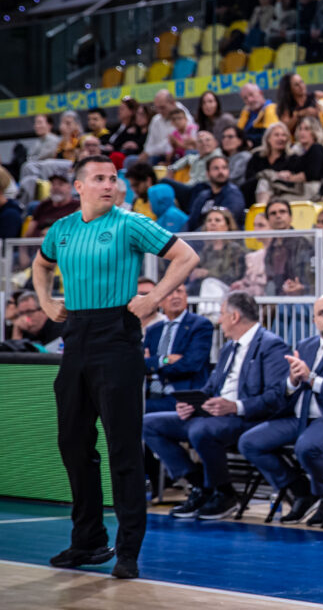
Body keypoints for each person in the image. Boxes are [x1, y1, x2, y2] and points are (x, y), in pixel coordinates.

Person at [34, 154, 199, 580]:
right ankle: (87, 540)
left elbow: (186, 256)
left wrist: (153, 298)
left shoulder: (129, 223)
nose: (110, 184)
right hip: (76, 337)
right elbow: (41, 264)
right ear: (79, 186)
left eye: (113, 178)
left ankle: (128, 551)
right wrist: (46, 302)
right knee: (73, 443)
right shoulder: (62, 229)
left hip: (117, 337)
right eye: (100, 178)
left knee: (123, 449)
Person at [143, 292, 289, 522]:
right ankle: (200, 485)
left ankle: (224, 492)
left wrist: (235, 406)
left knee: (201, 430)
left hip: (248, 418)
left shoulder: (272, 345)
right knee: (149, 424)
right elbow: (210, 387)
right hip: (215, 415)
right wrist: (191, 405)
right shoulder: (229, 347)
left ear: (234, 317)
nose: (219, 321)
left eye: (221, 314)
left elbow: (275, 397)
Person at [239, 294, 323, 526]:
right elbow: (287, 388)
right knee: (249, 442)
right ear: (314, 320)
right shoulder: (305, 346)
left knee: (307, 446)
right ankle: (302, 492)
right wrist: (292, 382)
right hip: (301, 417)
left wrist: (311, 378)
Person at [142, 285, 214, 413]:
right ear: (160, 302)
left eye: (179, 292)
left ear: (186, 297)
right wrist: (165, 360)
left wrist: (154, 367)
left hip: (181, 396)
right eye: (170, 293)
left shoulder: (200, 325)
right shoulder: (153, 330)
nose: (175, 296)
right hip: (151, 393)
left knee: (135, 410)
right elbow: (141, 364)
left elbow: (190, 364)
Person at [263, 200, 314, 297]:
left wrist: (303, 287)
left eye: (282, 212)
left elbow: (309, 275)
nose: (278, 216)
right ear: (268, 220)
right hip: (279, 296)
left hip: (302, 297)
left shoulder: (302, 242)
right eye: (273, 213)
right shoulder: (271, 246)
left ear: (290, 217)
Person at [189, 208, 248, 292]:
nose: (212, 223)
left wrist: (207, 273)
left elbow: (234, 277)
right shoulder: (205, 251)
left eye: (217, 220)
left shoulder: (236, 249)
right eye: (209, 220)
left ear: (227, 226)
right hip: (203, 290)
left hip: (229, 290)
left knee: (209, 283)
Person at [186, 156, 246, 231]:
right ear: (208, 174)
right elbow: (191, 222)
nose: (221, 171)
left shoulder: (234, 195)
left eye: (224, 168)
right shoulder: (203, 195)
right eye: (216, 168)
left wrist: (194, 236)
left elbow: (225, 222)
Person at [243, 122, 295, 206]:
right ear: (268, 138)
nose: (281, 138)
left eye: (284, 135)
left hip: (281, 198)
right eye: (276, 135)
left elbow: (292, 183)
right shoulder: (257, 157)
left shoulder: (292, 158)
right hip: (254, 197)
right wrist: (274, 175)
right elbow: (249, 180)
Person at [24, 173, 80, 238]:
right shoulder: (43, 206)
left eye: (60, 184)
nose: (56, 187)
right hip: (38, 242)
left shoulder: (78, 207)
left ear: (69, 187)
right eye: (53, 184)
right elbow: (28, 233)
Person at [145, 90, 193, 163]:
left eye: (162, 107)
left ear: (173, 103)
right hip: (159, 156)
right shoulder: (156, 119)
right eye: (156, 108)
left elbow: (184, 145)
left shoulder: (184, 117)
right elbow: (148, 146)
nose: (159, 111)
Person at [238, 83, 282, 148]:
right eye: (245, 98)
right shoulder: (246, 113)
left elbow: (271, 135)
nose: (250, 100)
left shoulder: (271, 109)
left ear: (260, 93)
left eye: (251, 95)